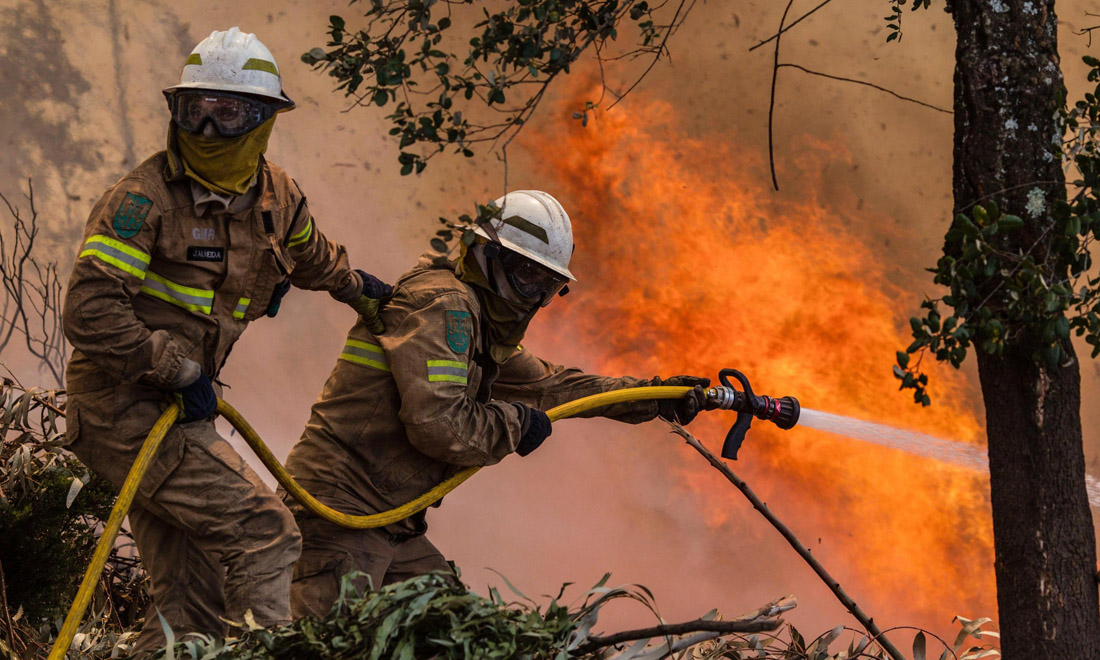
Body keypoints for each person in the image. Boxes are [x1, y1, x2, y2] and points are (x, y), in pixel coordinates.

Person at [62, 27, 389, 655]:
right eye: (194, 112)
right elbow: (89, 310)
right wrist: (177, 370)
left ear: (264, 121)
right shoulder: (141, 201)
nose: (205, 131)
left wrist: (360, 291)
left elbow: (309, 256)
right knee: (266, 529)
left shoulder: (277, 198)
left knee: (191, 616)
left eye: (226, 112)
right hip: (122, 410)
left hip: (176, 411)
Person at [282, 190, 709, 617]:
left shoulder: (480, 327)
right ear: (487, 257)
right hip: (339, 515)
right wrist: (514, 423)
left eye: (546, 284)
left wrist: (654, 397)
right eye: (526, 275)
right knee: (325, 646)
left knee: (452, 629)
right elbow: (439, 425)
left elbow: (553, 387)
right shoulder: (444, 307)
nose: (532, 294)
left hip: (391, 522)